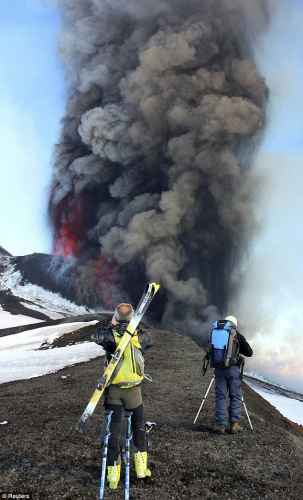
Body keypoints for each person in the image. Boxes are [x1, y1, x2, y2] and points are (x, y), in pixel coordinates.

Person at [91, 303, 153, 489]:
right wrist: (135, 326)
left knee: (113, 433)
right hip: (134, 391)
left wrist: (111, 324)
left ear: (116, 317)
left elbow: (95, 335)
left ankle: (113, 477)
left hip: (114, 392)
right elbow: (150, 341)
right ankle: (141, 470)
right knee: (138, 428)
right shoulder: (139, 336)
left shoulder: (110, 336)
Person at [209, 315, 253, 435]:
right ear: (234, 324)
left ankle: (220, 425)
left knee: (220, 397)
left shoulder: (215, 332)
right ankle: (234, 424)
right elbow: (249, 352)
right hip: (233, 369)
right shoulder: (237, 335)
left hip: (218, 369)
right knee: (235, 396)